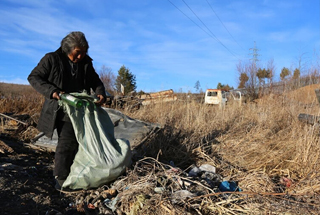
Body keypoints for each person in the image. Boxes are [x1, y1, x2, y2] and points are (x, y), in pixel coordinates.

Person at [28, 31, 107, 190]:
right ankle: (61, 179)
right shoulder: (51, 59)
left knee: (79, 143)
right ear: (67, 49)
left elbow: (96, 81)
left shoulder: (86, 63)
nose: (81, 57)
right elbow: (34, 77)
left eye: (84, 53)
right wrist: (52, 91)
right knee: (67, 142)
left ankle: (74, 173)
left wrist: (100, 93)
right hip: (60, 109)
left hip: (80, 110)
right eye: (78, 53)